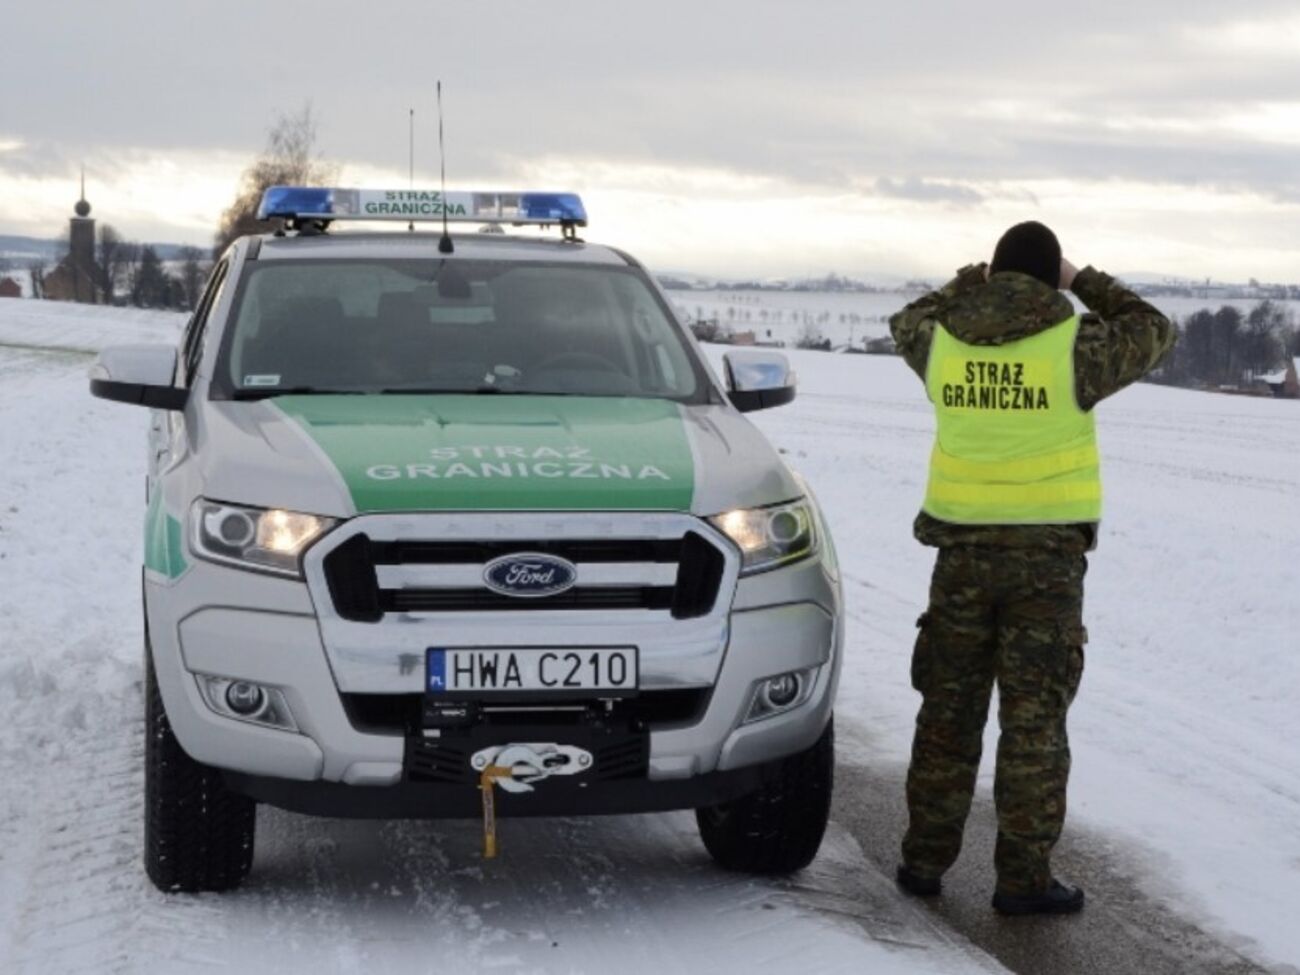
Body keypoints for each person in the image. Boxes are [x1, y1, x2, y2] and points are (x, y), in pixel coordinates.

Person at [887, 222, 1175, 915]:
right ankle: (1021, 878)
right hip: (1046, 570)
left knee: (948, 713)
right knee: (1034, 721)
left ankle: (924, 861)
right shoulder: (1076, 347)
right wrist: (1083, 281)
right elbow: (1153, 325)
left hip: (961, 561)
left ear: (995, 273)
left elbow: (906, 319)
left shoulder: (942, 343)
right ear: (1050, 279)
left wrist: (966, 282)